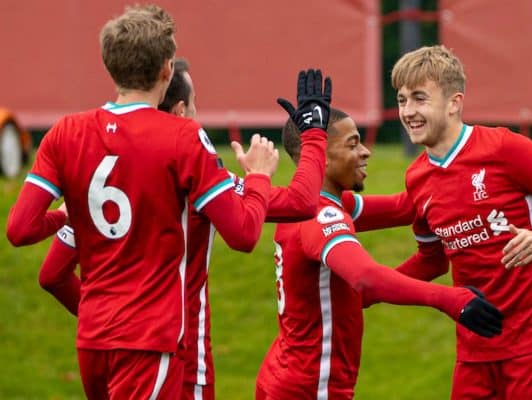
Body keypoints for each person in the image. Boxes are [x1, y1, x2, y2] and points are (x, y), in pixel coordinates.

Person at [5, 5, 282, 398]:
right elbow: (243, 233)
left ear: (109, 65)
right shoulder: (182, 137)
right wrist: (258, 178)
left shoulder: (65, 132)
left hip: (93, 340)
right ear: (167, 69)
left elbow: (19, 229)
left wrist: (59, 217)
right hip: (148, 339)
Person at [36, 58, 332, 399]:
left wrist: (109, 322)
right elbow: (300, 203)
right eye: (195, 105)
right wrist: (309, 137)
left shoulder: (102, 181)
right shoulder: (202, 177)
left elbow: (52, 274)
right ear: (179, 111)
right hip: (181, 358)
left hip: (106, 346)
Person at [381, 45, 532, 399]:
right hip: (474, 353)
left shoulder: (504, 148)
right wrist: (369, 288)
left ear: (454, 102)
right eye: (402, 100)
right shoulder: (416, 177)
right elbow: (432, 260)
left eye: (419, 99)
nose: (408, 112)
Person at [255, 107, 504, 400]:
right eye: (352, 143)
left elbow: (406, 207)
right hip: (311, 387)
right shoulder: (321, 217)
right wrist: (452, 300)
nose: (365, 151)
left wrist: (465, 174)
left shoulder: (311, 205)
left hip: (288, 376)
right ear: (321, 155)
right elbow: (366, 277)